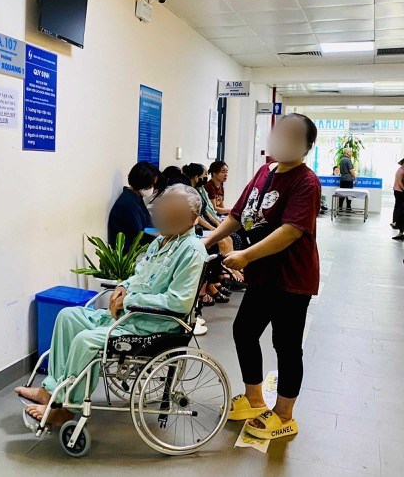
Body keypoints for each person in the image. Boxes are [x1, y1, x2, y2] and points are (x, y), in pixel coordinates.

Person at [16, 185, 207, 426]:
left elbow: (179, 302)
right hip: (127, 317)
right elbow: (138, 274)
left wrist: (129, 300)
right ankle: (50, 391)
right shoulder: (160, 243)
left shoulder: (191, 251)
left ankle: (67, 408)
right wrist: (123, 287)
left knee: (85, 340)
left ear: (190, 218)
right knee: (68, 316)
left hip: (151, 326)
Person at [204, 113, 320, 440]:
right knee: (244, 331)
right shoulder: (264, 172)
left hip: (291, 279)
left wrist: (245, 256)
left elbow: (291, 231)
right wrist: (207, 241)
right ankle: (254, 399)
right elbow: (238, 215)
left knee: (286, 345)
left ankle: (284, 415)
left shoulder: (306, 181)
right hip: (263, 276)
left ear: (307, 146)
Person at [108, 162, 158, 252]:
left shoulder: (136, 197)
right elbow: (138, 234)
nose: (152, 188)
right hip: (129, 252)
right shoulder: (128, 203)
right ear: (142, 183)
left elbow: (146, 223)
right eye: (150, 185)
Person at [392, 157, 404, 240]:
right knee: (400, 209)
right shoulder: (401, 170)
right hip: (399, 191)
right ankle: (396, 224)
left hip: (400, 191)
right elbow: (399, 182)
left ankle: (397, 225)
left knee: (400, 210)